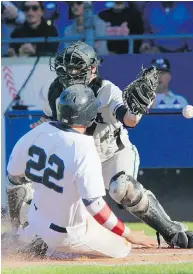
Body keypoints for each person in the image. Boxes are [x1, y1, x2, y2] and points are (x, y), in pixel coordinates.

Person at [7, 41, 193, 253]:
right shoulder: (55, 90)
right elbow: (49, 120)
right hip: (76, 157)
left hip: (111, 153)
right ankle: (30, 235)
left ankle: (170, 230)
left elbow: (129, 120)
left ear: (92, 68)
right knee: (41, 191)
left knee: (122, 188)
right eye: (65, 69)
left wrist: (137, 109)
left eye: (75, 68)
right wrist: (43, 126)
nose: (69, 75)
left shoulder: (106, 89)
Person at [5, 84, 156, 258]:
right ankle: (52, 250)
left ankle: (26, 235)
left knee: (75, 209)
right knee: (123, 248)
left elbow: (14, 174)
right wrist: (129, 234)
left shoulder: (40, 131)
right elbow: (95, 206)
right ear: (89, 115)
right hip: (64, 234)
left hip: (35, 218)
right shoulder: (84, 148)